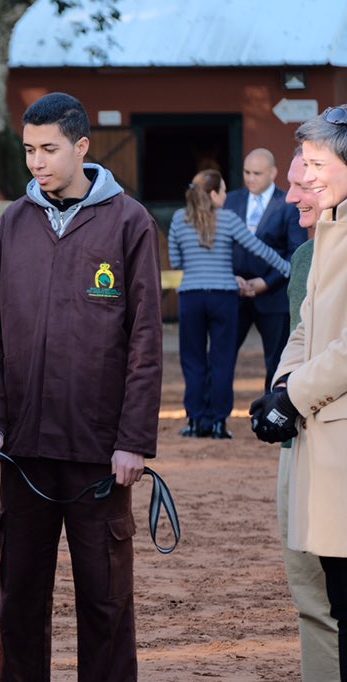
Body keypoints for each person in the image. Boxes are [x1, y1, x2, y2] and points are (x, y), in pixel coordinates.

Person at [0, 92, 162, 681]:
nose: (37, 162)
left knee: (105, 600)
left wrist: (133, 439)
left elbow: (146, 341)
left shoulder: (130, 222)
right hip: (23, 450)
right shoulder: (13, 224)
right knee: (19, 599)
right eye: (28, 150)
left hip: (98, 453)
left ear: (81, 146)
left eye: (48, 149)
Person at [252, 104, 347, 681]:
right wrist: (281, 389)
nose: (300, 184)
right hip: (317, 442)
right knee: (322, 596)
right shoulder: (322, 243)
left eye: (314, 165)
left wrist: (294, 397)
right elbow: (307, 328)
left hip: (334, 445)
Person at [276, 150, 339, 681]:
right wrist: (278, 394)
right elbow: (300, 336)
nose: (294, 195)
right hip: (298, 441)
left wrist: (290, 396)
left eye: (306, 181)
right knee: (310, 590)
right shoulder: (305, 256)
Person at [168, 169, 290, 439]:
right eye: (223, 190)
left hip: (191, 297)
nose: (226, 195)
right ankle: (219, 423)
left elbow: (176, 262)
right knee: (222, 361)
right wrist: (288, 268)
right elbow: (259, 249)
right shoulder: (229, 219)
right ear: (213, 194)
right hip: (223, 297)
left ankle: (195, 421)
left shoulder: (179, 218)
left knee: (193, 361)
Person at [224, 148, 307, 390]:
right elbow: (219, 244)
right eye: (247, 172)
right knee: (222, 357)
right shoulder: (230, 200)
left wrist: (267, 282)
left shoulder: (289, 204)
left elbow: (296, 252)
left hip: (274, 296)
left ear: (273, 173)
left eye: (257, 173)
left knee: (276, 360)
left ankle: (271, 414)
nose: (250, 178)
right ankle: (213, 420)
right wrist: (232, 278)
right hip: (235, 292)